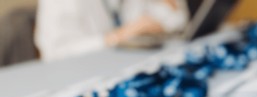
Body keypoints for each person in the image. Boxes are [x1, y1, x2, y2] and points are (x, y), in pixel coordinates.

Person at [34, 0, 189, 61]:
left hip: (127, 65)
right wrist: (117, 36)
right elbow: (55, 53)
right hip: (81, 73)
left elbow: (177, 21)